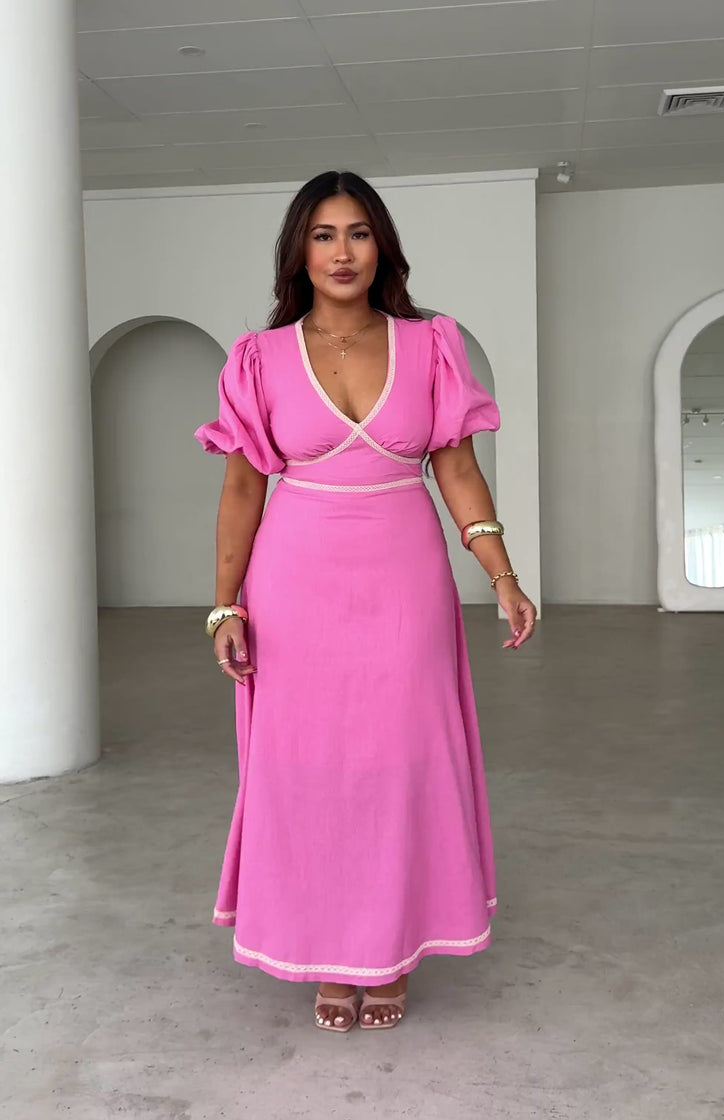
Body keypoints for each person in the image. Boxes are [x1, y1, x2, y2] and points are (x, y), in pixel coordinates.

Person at [194, 169, 537, 1033]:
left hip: (404, 577)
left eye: (357, 233)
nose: (342, 252)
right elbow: (242, 490)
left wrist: (501, 574)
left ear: (381, 246)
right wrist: (226, 605)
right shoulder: (259, 357)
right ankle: (325, 949)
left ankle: (393, 946)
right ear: (299, 252)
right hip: (294, 582)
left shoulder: (430, 344)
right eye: (323, 235)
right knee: (305, 766)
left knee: (401, 759)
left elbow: (458, 469)